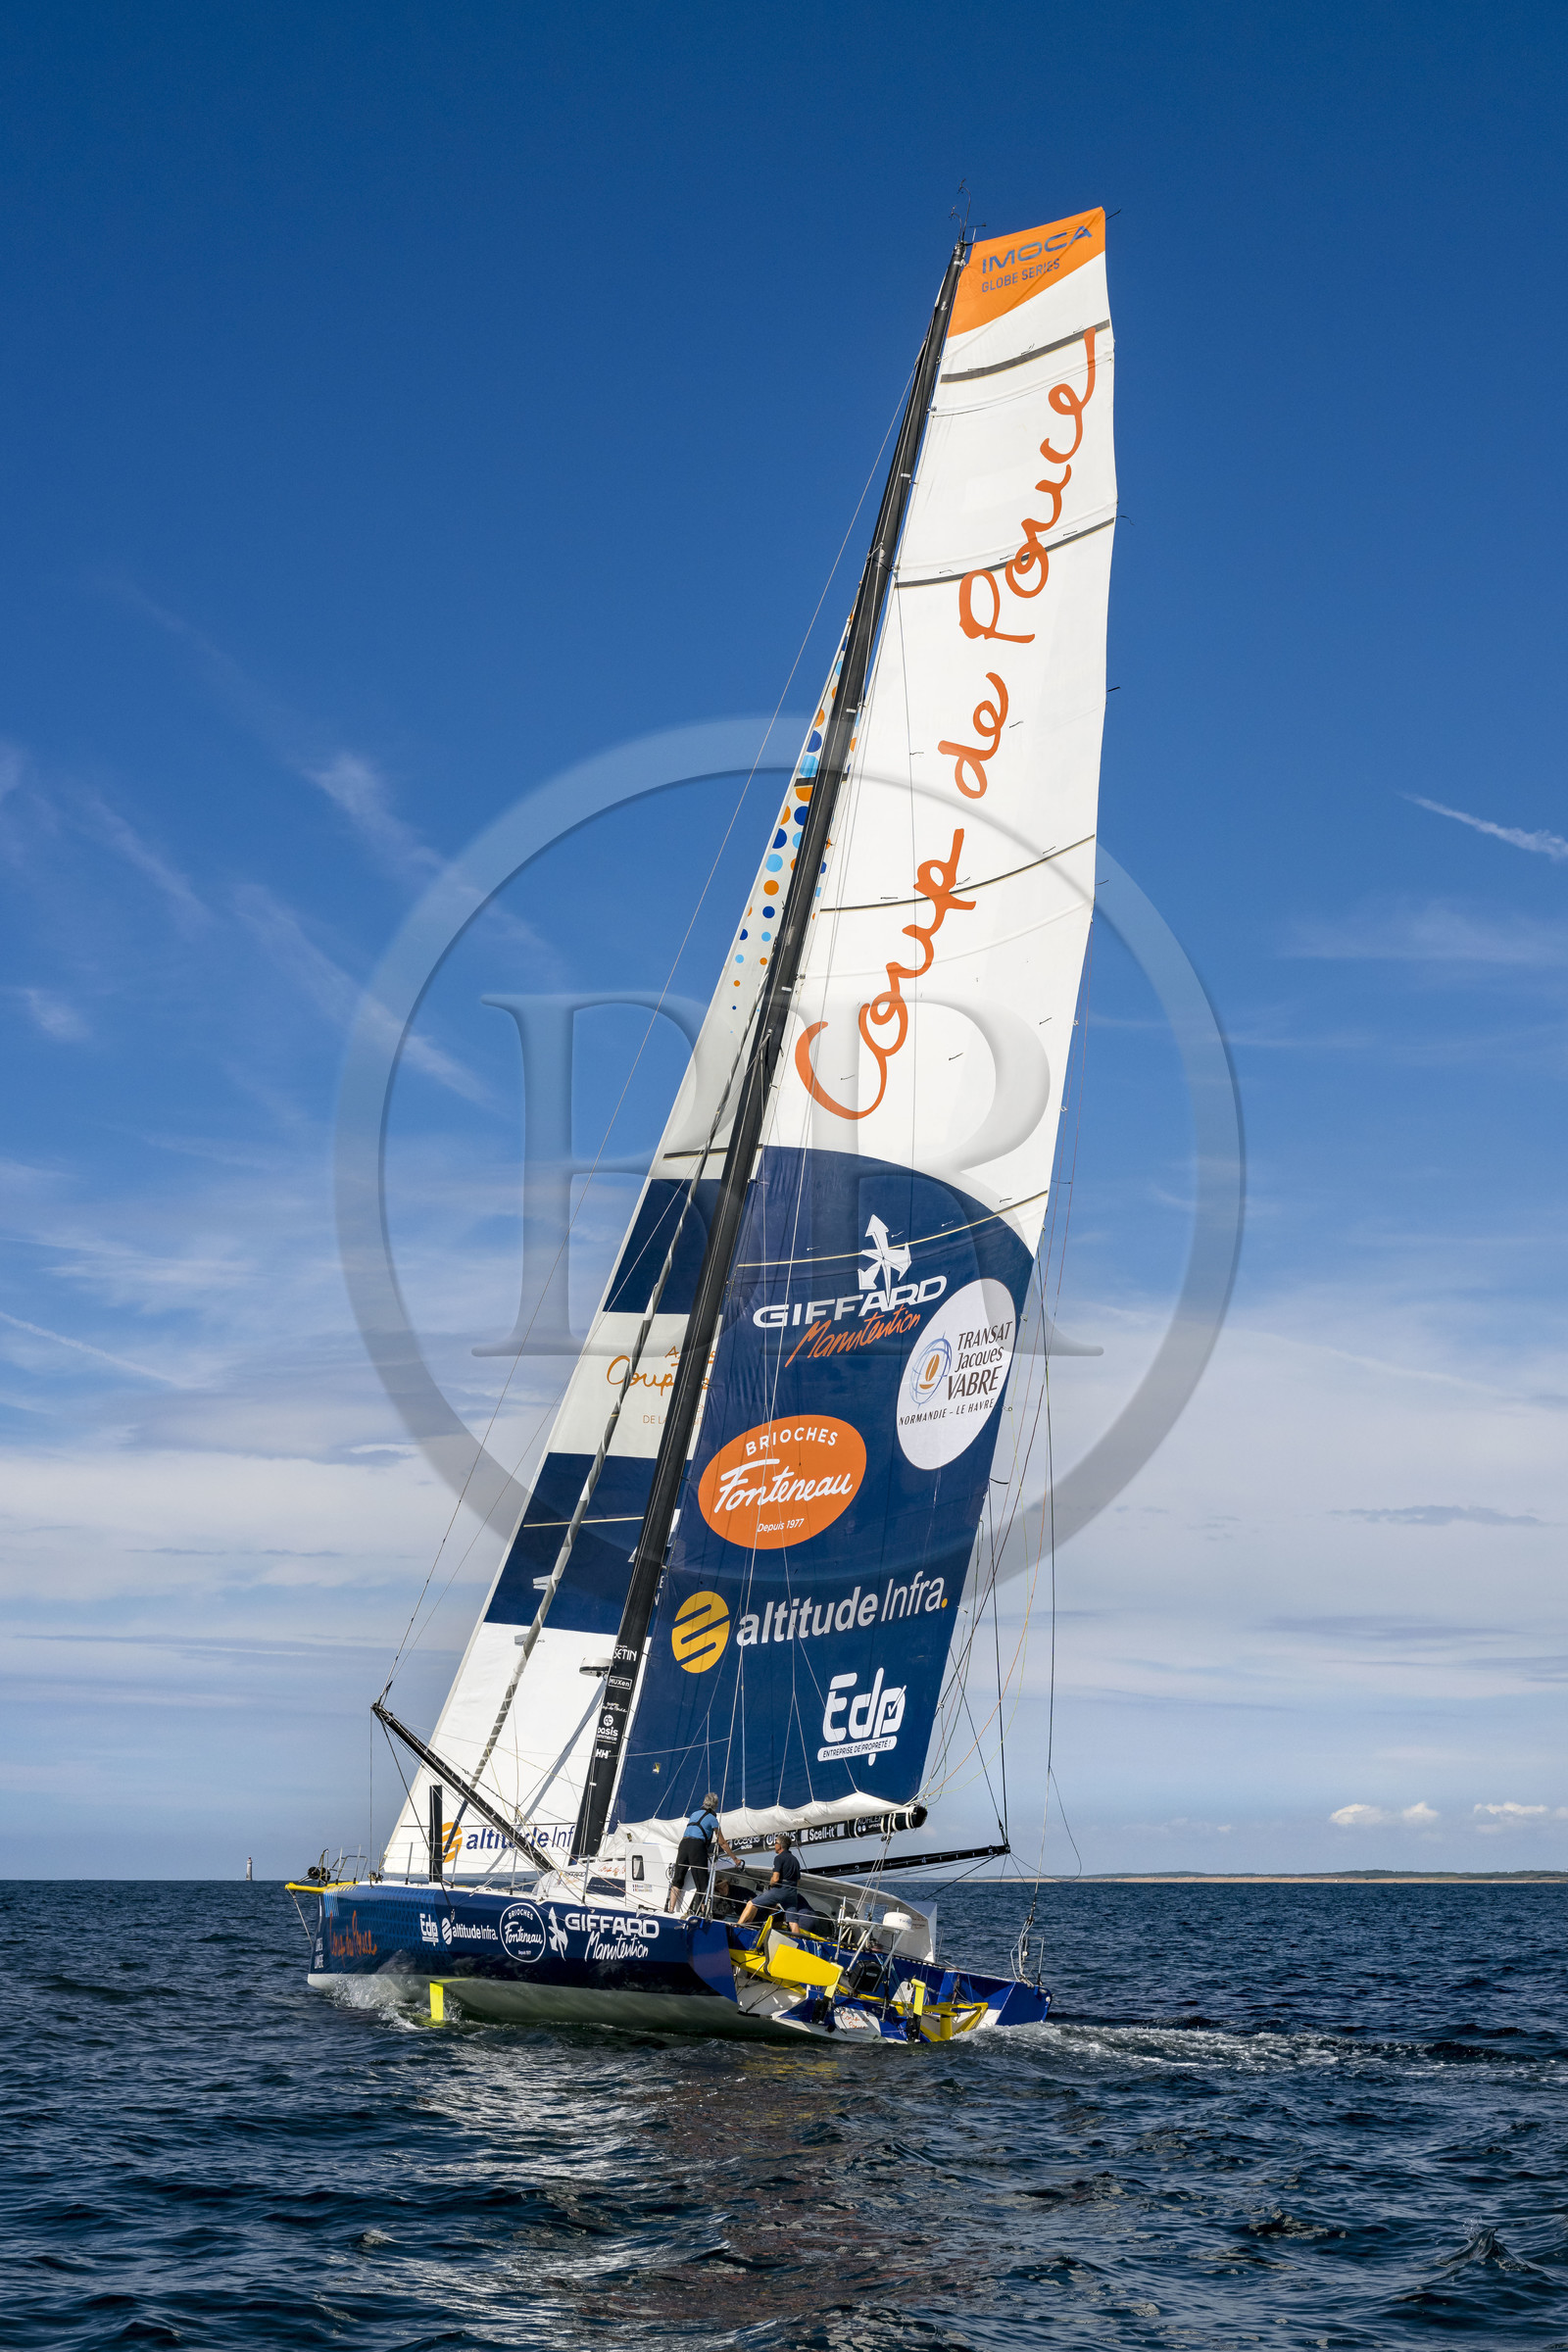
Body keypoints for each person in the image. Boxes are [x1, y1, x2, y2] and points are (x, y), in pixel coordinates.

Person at [665, 1791, 737, 1912]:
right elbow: (722, 1843)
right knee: (702, 1883)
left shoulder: (694, 1814)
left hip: (683, 1845)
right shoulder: (713, 1819)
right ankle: (703, 1912)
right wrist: (735, 1858)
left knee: (677, 1879)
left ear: (704, 1803)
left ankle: (671, 1908)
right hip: (697, 1847)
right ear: (715, 1806)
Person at [737, 1834, 808, 1936]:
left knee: (751, 1904)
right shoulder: (795, 1860)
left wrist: (771, 1883)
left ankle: (737, 1927)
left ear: (780, 1845)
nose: (774, 1845)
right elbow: (798, 1882)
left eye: (775, 1843)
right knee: (792, 1921)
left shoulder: (779, 1858)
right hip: (792, 1893)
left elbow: (775, 1879)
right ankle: (798, 1942)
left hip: (780, 1890)